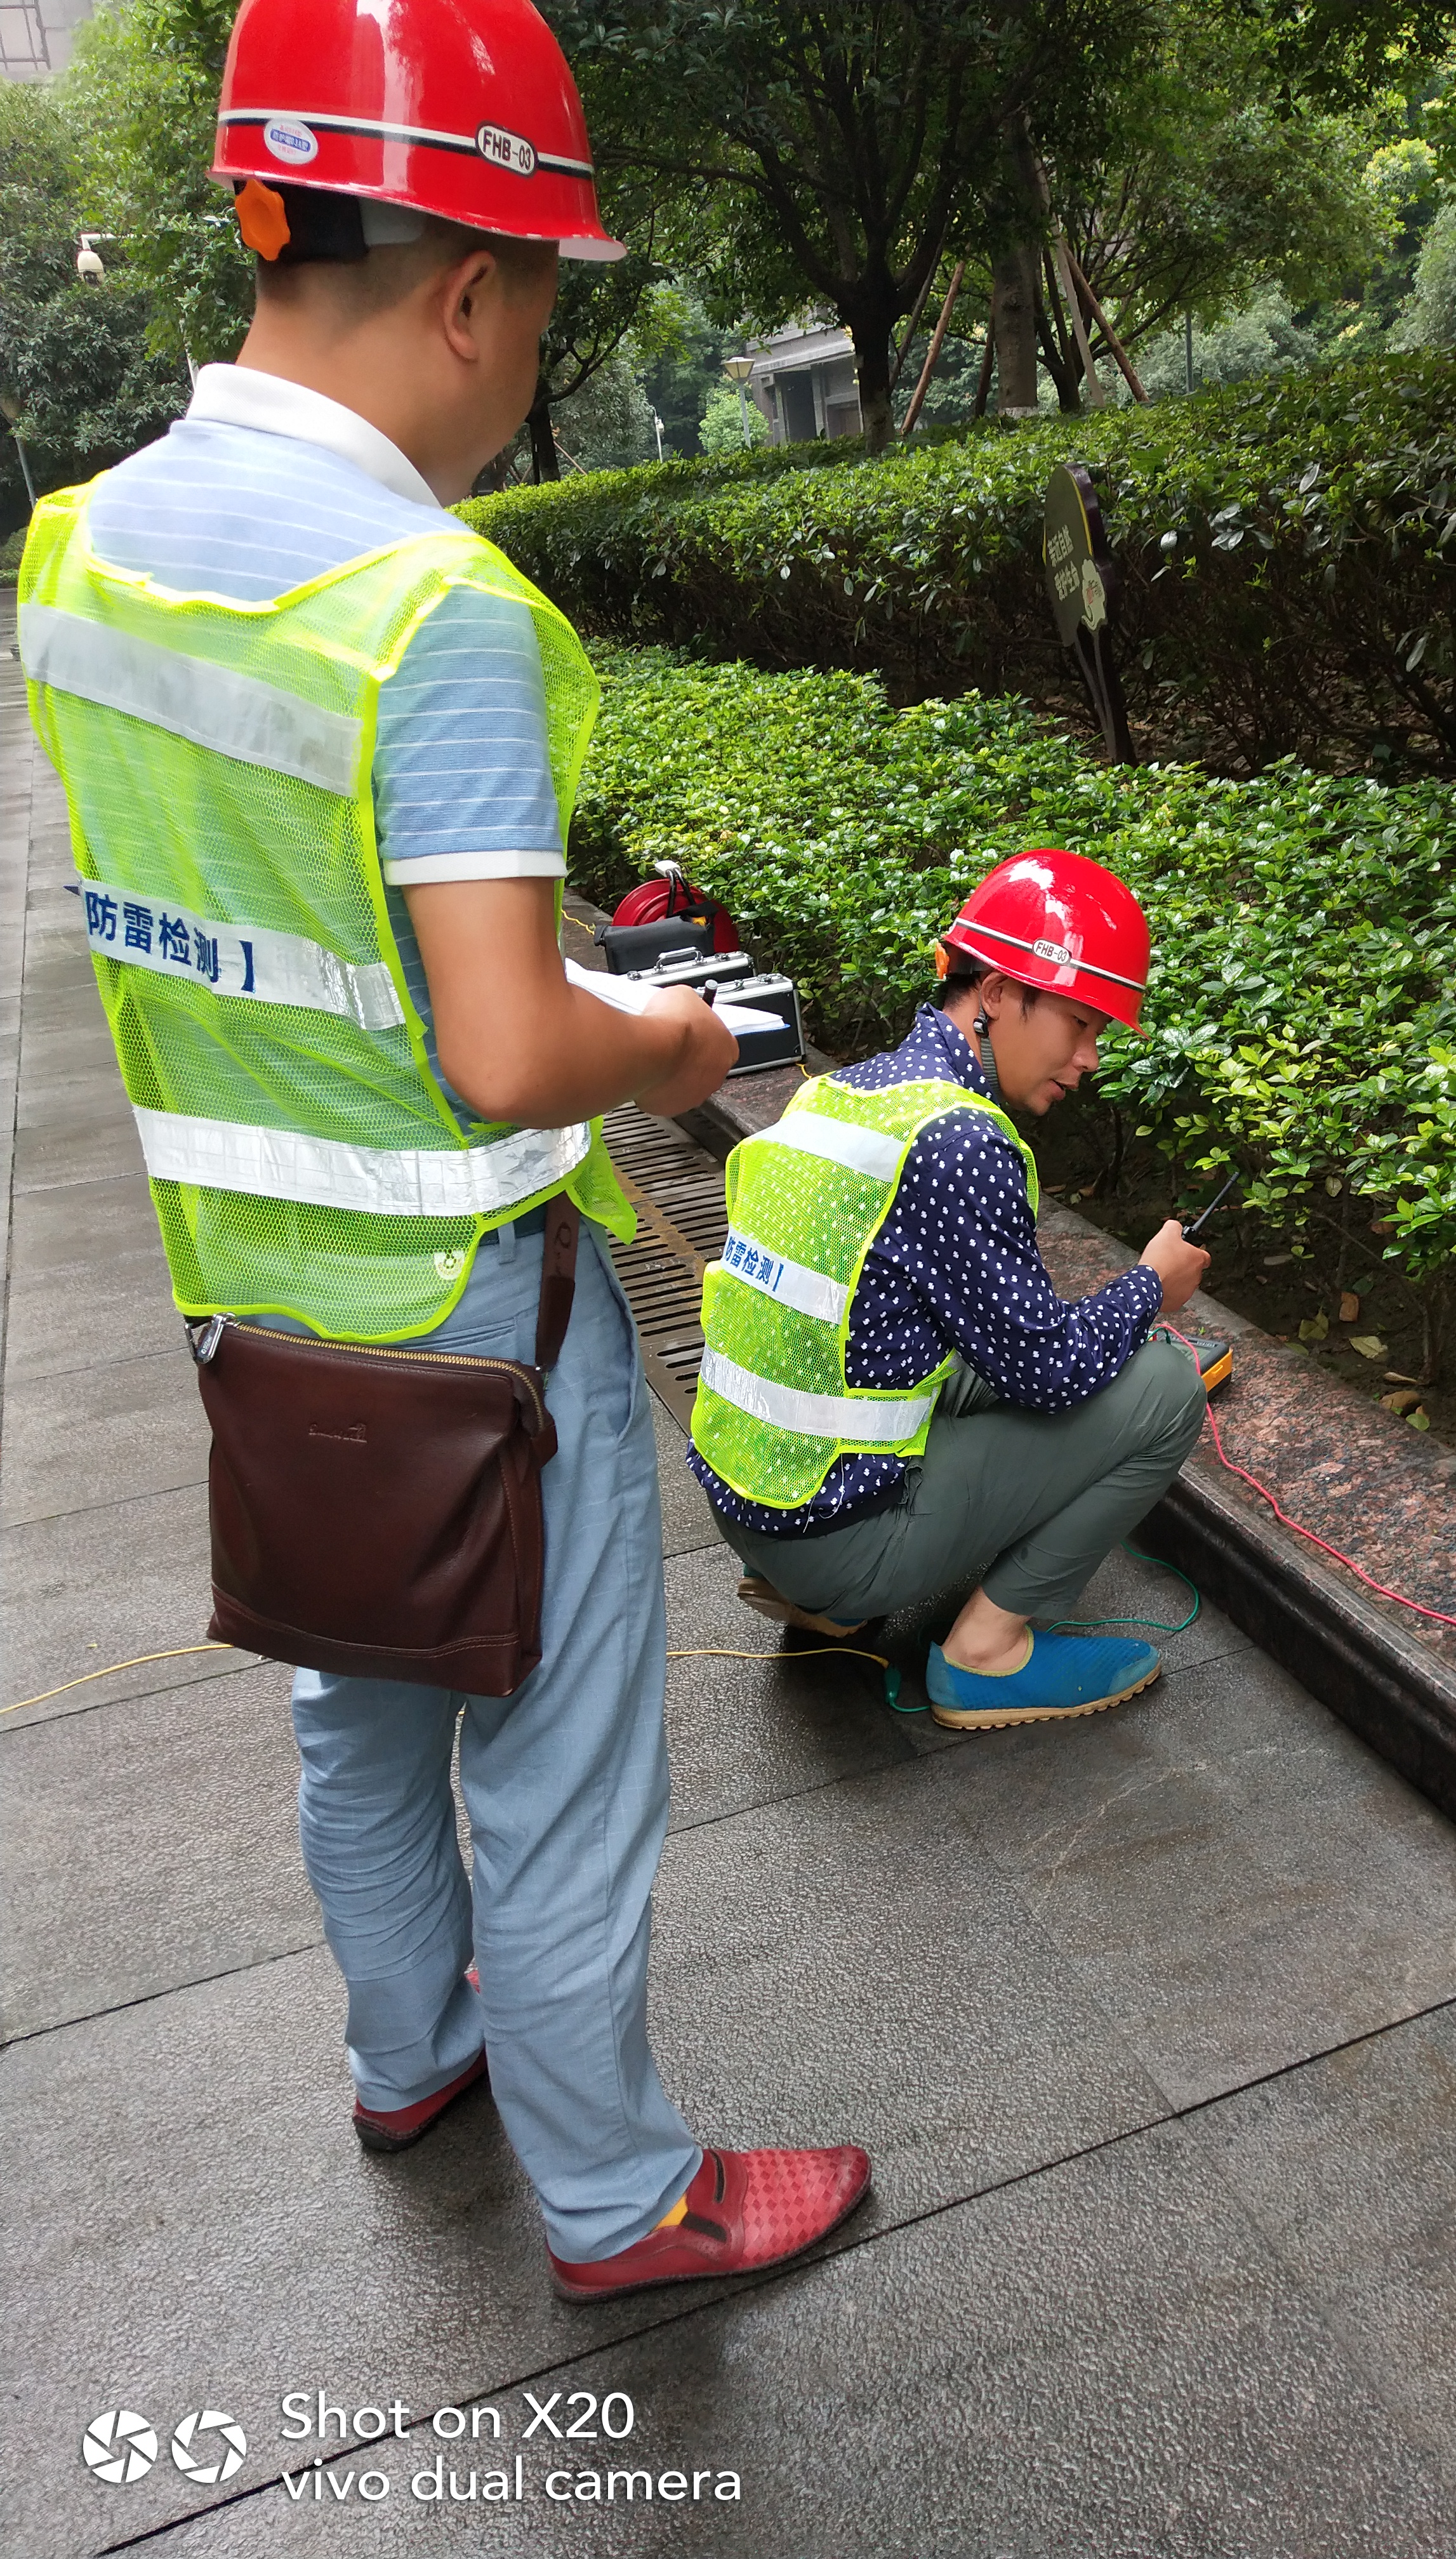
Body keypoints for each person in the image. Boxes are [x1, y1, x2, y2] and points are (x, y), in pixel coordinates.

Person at [19, 0, 867, 2304]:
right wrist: (683, 1038)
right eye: (545, 309)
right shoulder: (431, 607)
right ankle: (621, 2196)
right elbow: (502, 1051)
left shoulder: (76, 554)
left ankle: (414, 2054)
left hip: (250, 1299)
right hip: (481, 1318)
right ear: (475, 289)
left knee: (357, 1705)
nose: (525, 374)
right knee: (564, 1761)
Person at [690, 850, 1217, 1729]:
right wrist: (1149, 1289)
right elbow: (1049, 1374)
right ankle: (987, 1656)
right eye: (1080, 1024)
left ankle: (827, 1598)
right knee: (1161, 1390)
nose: (1089, 1059)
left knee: (984, 1360)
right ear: (1002, 992)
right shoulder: (959, 1139)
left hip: (754, 1512)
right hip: (837, 1542)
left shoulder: (838, 1095)